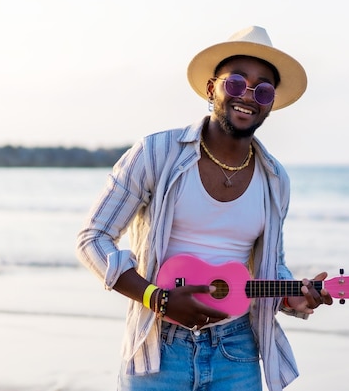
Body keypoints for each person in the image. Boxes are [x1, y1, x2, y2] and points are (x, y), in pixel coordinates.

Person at [76, 25, 333, 391]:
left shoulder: (275, 179)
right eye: (235, 82)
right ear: (212, 88)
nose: (248, 95)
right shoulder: (156, 154)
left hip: (238, 351)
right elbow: (92, 238)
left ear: (270, 102)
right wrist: (158, 298)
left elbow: (269, 266)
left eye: (262, 88)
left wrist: (293, 295)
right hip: (159, 346)